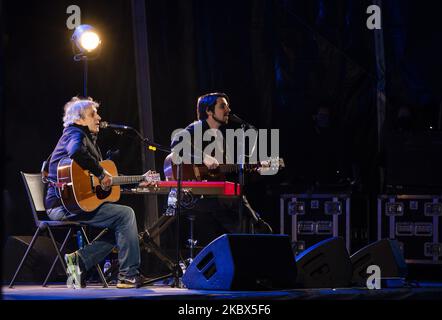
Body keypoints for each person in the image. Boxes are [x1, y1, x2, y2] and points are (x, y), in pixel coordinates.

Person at [45, 96, 153, 289]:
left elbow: (103, 182)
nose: (99, 117)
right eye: (93, 114)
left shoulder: (88, 141)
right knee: (125, 215)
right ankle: (128, 275)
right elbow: (76, 151)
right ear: (79, 119)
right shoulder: (74, 133)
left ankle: (79, 262)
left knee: (124, 226)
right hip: (63, 205)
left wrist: (138, 181)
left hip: (74, 203)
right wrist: (101, 172)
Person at [169, 92, 272, 246]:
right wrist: (203, 157)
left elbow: (226, 168)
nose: (228, 110)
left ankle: (253, 239)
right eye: (222, 106)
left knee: (237, 201)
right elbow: (176, 144)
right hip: (192, 196)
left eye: (227, 106)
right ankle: (257, 229)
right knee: (237, 201)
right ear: (209, 111)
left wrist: (254, 167)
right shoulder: (197, 127)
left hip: (212, 196)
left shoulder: (219, 137)